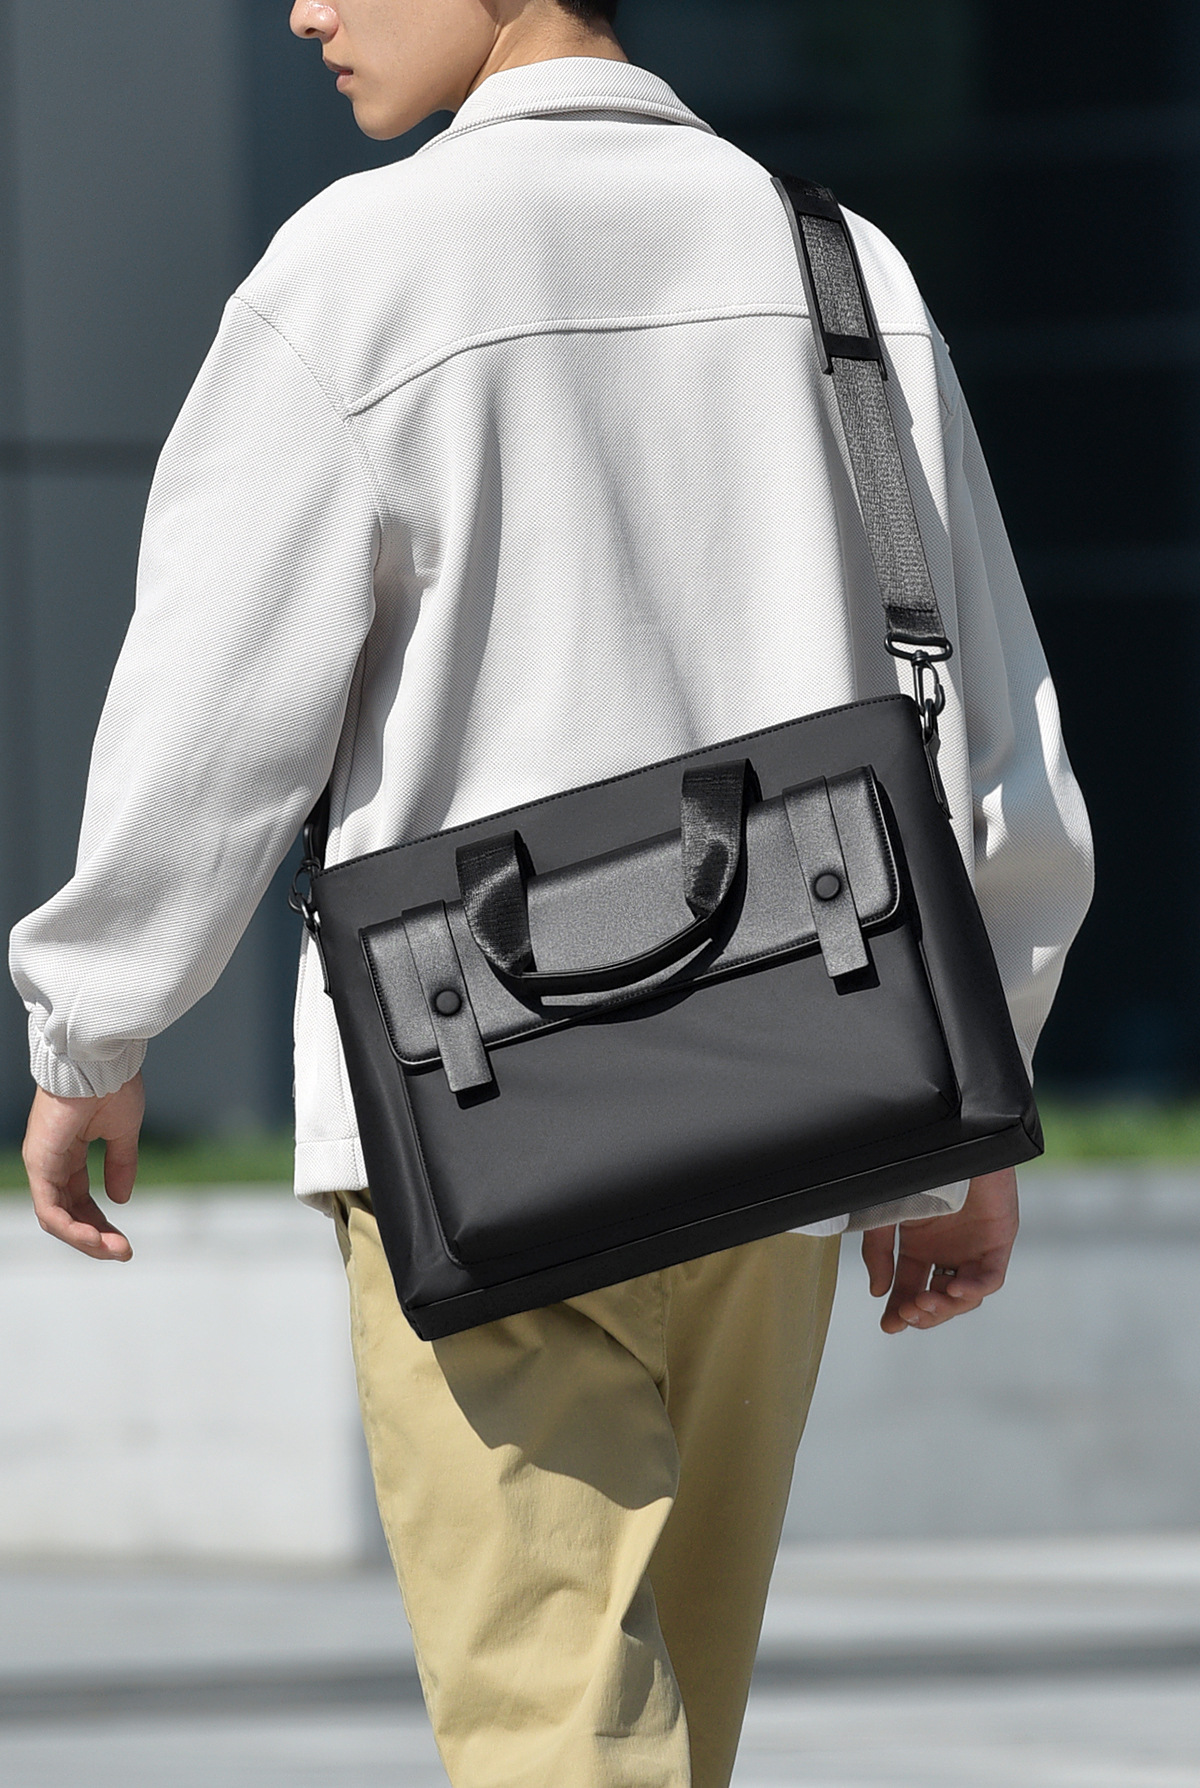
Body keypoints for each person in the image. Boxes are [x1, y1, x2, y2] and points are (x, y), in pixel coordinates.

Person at [10, 2, 1093, 1784]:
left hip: (475, 1117)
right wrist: (985, 1101)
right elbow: (987, 728)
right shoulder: (839, 265)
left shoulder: (356, 272)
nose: (304, 10)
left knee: (559, 1737)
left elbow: (210, 708)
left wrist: (94, 1023)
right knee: (668, 1741)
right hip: (806, 1093)